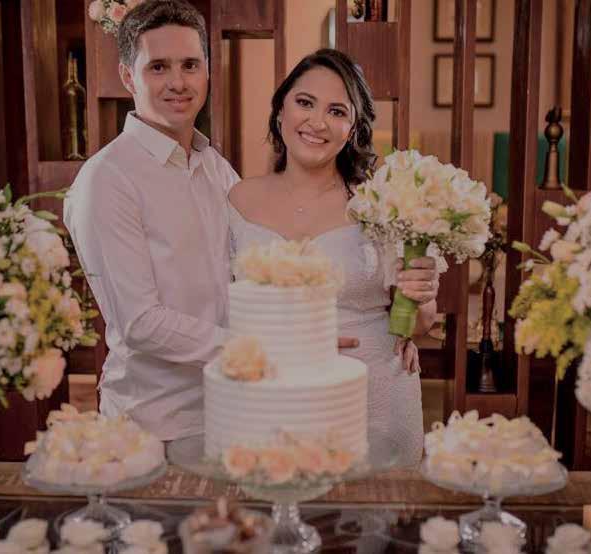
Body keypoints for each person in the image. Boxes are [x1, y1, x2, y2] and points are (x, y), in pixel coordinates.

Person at [228, 49, 441, 465]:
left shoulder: (383, 202)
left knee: (378, 506)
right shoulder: (238, 199)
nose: (317, 122)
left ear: (353, 128)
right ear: (280, 110)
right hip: (271, 391)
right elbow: (224, 306)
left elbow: (420, 322)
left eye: (337, 111)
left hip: (373, 391)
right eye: (305, 102)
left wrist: (420, 295)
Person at [63, 0, 238, 440]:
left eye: (190, 65)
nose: (178, 82)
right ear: (128, 76)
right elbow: (140, 322)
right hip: (154, 424)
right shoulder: (107, 178)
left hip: (231, 408)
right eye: (158, 67)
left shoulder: (216, 166)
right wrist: (252, 350)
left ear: (207, 71)